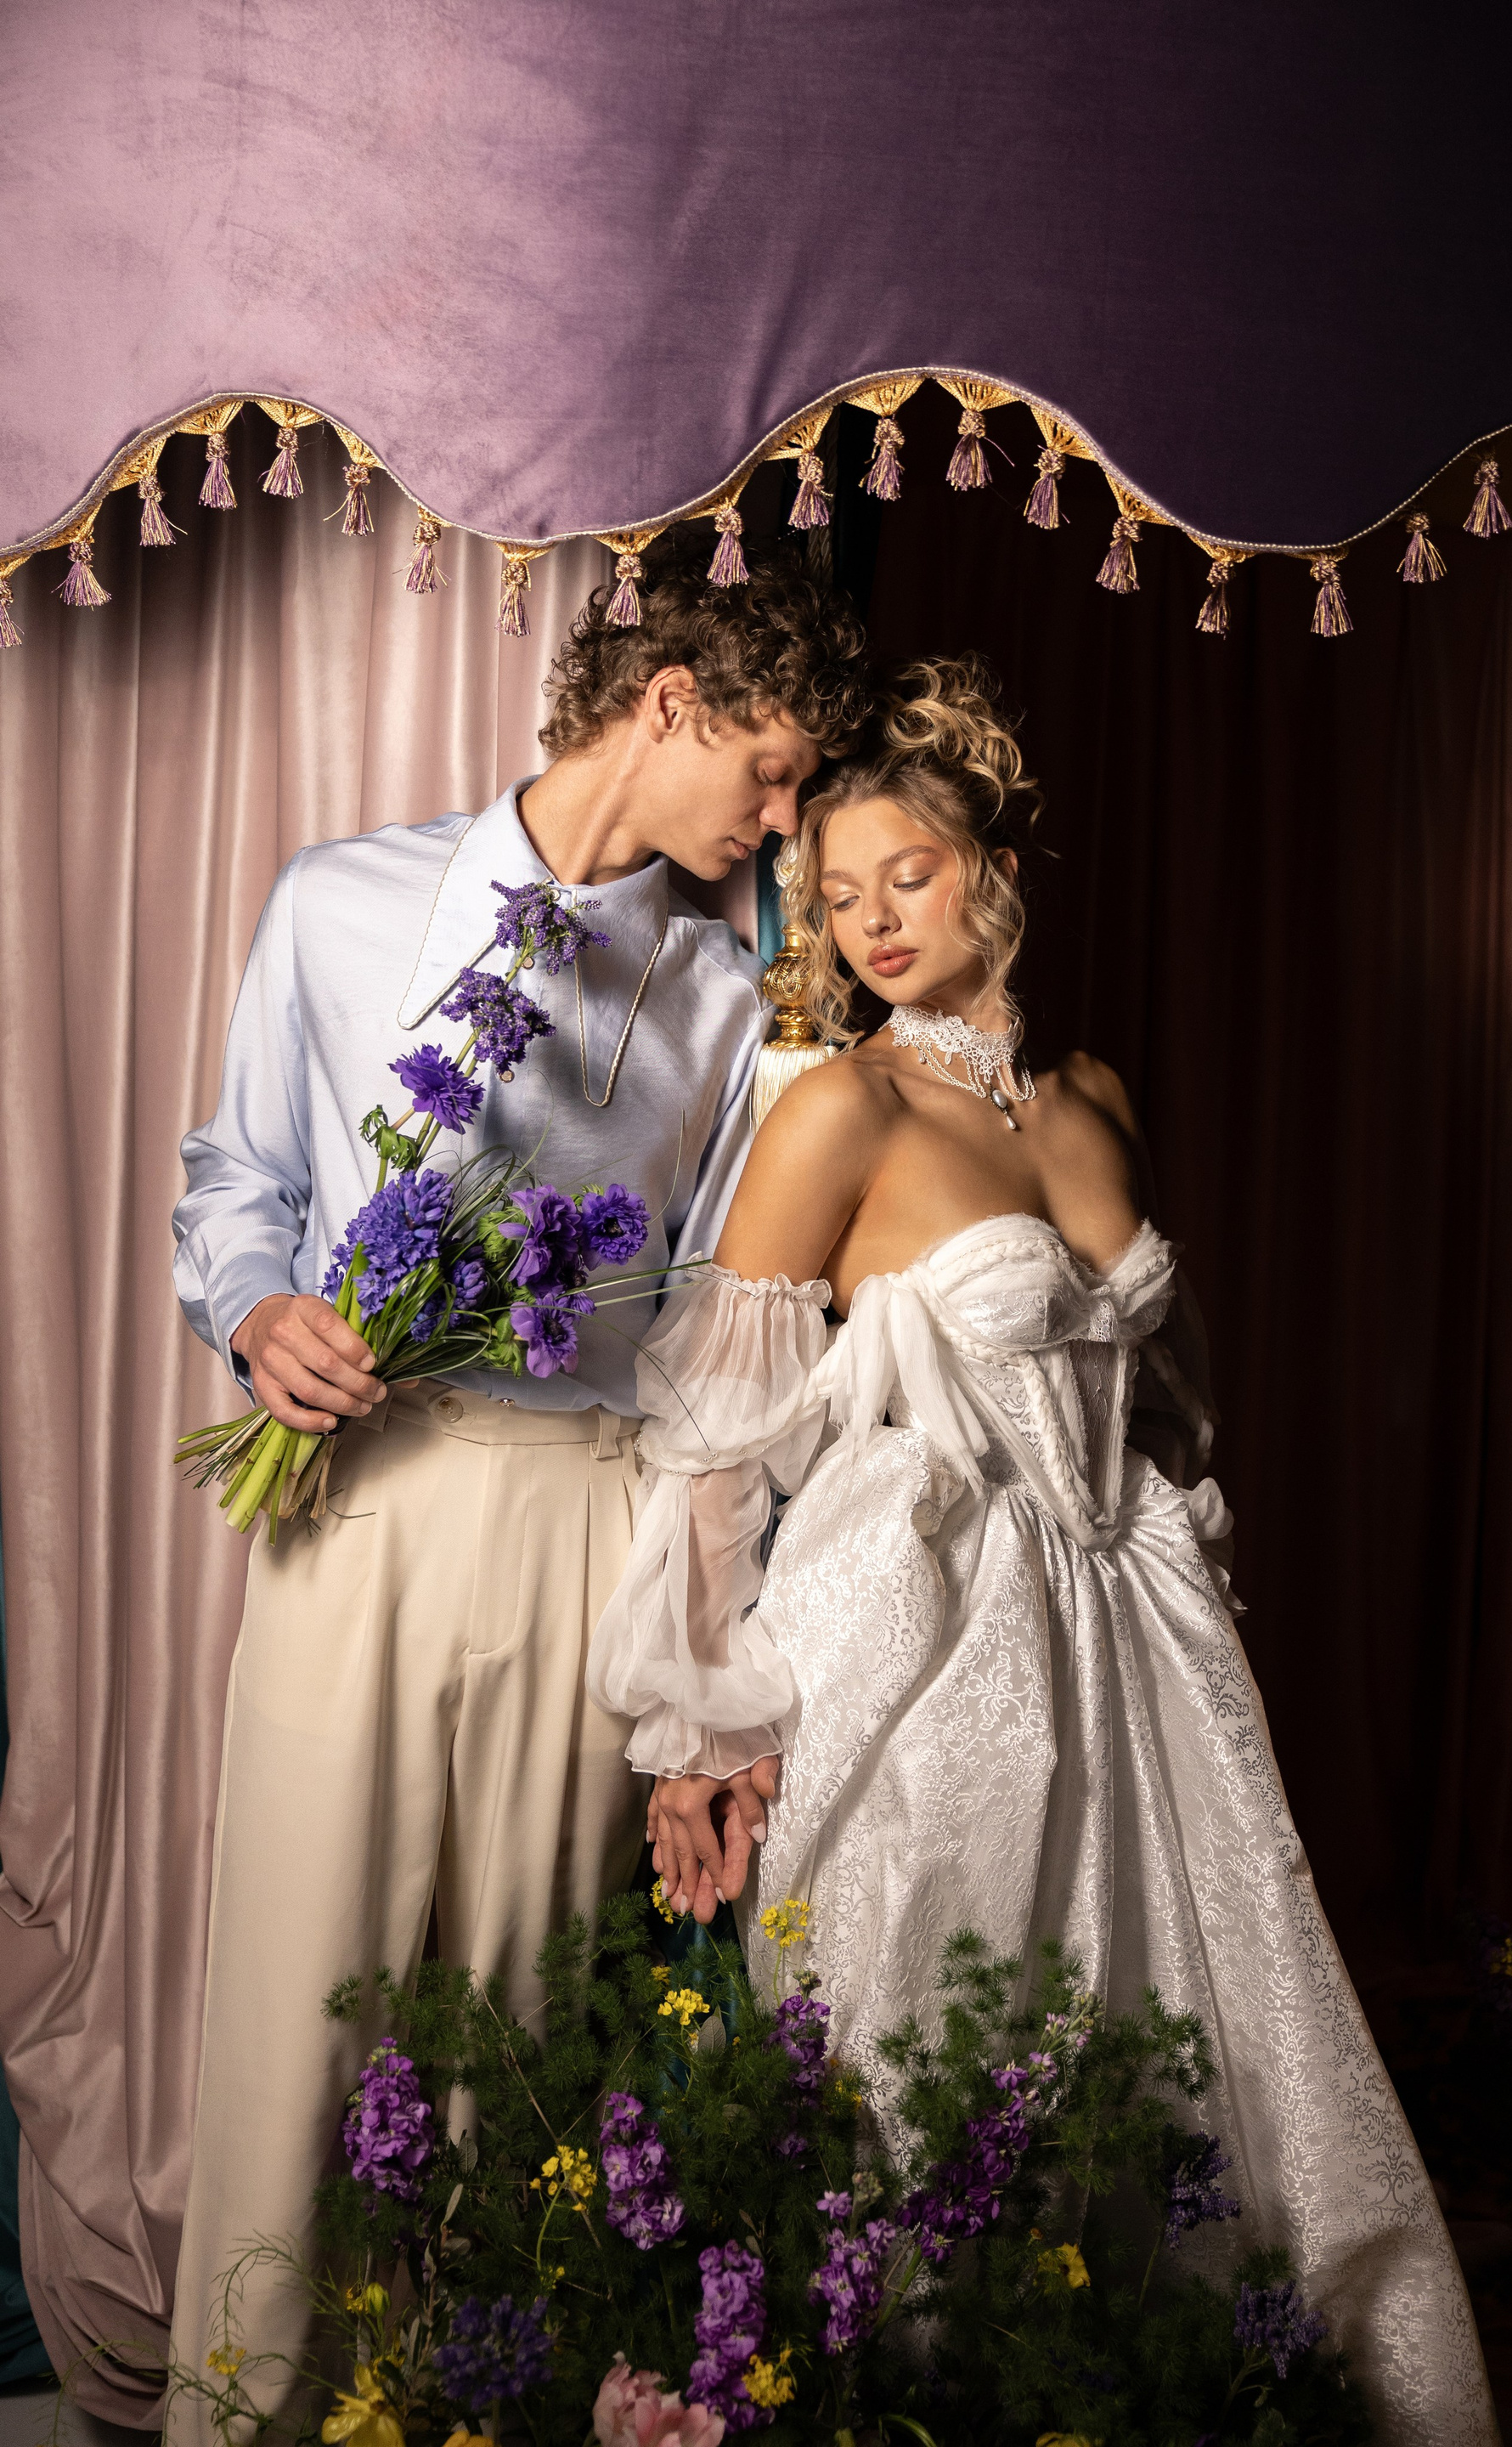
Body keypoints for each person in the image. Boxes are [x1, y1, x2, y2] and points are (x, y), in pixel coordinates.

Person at [587, 658, 1498, 2447]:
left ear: (993, 871)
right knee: (931, 2037)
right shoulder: (841, 1109)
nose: (872, 923)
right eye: (839, 896)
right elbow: (708, 1440)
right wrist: (697, 1730)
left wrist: (1177, 1566)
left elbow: (1168, 1390)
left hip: (1131, 1626)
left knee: (1181, 2052)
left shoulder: (1090, 1095)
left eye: (907, 876)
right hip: (930, 1621)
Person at [166, 538, 872, 2429]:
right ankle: (252, 2410)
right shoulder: (336, 900)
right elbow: (236, 1178)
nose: (783, 824)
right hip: (358, 1497)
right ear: (673, 705)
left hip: (587, 1521)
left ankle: (475, 2407)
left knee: (519, 2024)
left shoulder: (730, 1000)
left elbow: (717, 1347)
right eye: (774, 773)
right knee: (297, 2002)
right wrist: (258, 1312)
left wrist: (706, 1672)